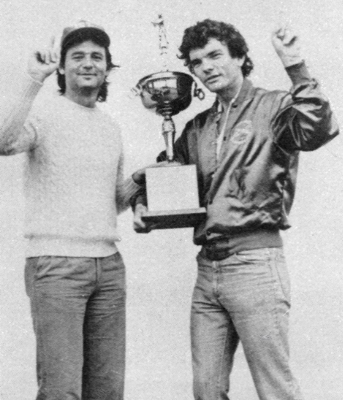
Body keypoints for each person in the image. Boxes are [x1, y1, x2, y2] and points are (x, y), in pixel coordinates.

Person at [133, 19, 339, 400]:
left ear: (241, 57)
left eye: (215, 55)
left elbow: (320, 128)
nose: (207, 66)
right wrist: (142, 204)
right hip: (207, 270)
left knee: (275, 389)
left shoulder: (274, 105)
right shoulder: (196, 127)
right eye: (197, 62)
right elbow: (168, 180)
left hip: (256, 264)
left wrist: (296, 66)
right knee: (206, 390)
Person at [0, 21, 146, 400]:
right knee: (62, 390)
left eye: (96, 57)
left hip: (109, 268)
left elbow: (113, 199)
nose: (87, 63)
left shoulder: (110, 126)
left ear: (107, 67)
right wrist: (33, 80)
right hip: (56, 267)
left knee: (107, 391)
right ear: (61, 68)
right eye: (77, 56)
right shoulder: (44, 113)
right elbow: (3, 140)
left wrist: (144, 182)